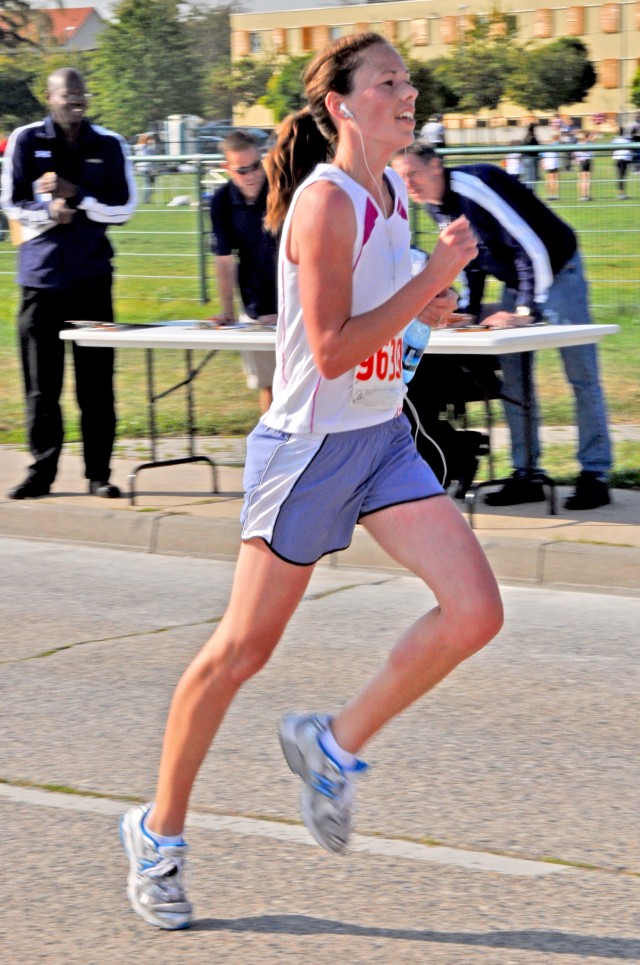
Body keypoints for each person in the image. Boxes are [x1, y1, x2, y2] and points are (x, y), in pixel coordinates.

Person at [120, 31, 503, 931]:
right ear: (342, 104)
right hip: (308, 450)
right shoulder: (325, 203)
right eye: (387, 82)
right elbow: (330, 349)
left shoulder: (388, 194)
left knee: (476, 611)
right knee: (240, 651)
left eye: (408, 81)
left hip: (380, 441)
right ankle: (157, 832)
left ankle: (331, 745)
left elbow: (384, 326)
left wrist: (429, 306)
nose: (407, 94)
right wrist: (436, 277)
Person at [391, 143, 612, 510]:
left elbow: (532, 246)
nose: (407, 183)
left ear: (436, 166)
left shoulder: (473, 187)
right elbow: (471, 262)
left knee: (581, 375)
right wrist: (467, 311)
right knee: (514, 379)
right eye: (401, 178)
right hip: (519, 280)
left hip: (558, 271)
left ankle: (596, 475)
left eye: (412, 173)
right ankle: (526, 473)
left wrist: (525, 309)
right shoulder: (435, 203)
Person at [0, 67, 136, 500]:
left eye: (81, 94)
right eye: (67, 94)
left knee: (97, 386)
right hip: (40, 283)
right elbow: (10, 202)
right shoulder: (26, 140)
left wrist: (79, 196)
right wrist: (47, 212)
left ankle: (99, 475)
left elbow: (125, 207)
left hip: (93, 281)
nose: (76, 100)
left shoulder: (109, 144)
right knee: (43, 387)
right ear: (49, 96)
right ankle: (41, 473)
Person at [209, 130, 277, 413]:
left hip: (298, 303)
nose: (251, 174)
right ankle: (273, 454)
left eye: (255, 165)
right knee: (270, 385)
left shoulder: (282, 190)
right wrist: (226, 310)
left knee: (308, 384)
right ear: (227, 169)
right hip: (255, 306)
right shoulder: (222, 201)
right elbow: (223, 260)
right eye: (242, 170)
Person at [611, 128, 633, 200]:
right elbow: (631, 149)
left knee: (620, 176)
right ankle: (622, 194)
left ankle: (621, 194)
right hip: (625, 159)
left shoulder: (615, 140)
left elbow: (612, 148)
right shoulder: (627, 140)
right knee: (622, 177)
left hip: (618, 159)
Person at [573, 130, 594, 201]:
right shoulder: (588, 143)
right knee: (586, 180)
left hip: (583, 161)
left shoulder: (578, 144)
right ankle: (585, 196)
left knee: (583, 180)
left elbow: (575, 154)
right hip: (586, 161)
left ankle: (584, 196)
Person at [521, 122, 539, 192]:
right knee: (532, 177)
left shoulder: (525, 138)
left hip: (525, 159)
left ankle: (527, 191)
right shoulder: (533, 138)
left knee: (527, 177)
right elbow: (536, 149)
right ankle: (531, 192)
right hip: (531, 159)